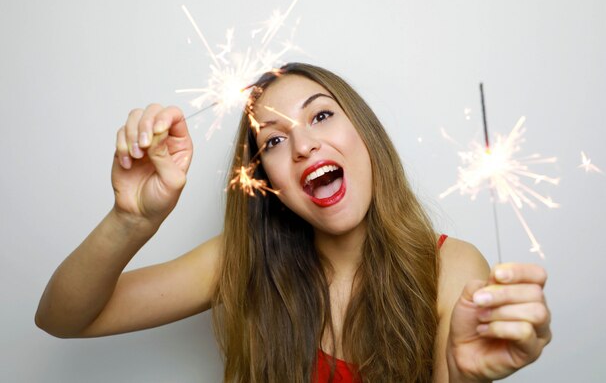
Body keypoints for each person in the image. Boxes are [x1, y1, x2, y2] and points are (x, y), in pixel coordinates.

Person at [35, 63, 551, 383]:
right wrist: (131, 217)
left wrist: (461, 379)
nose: (304, 145)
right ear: (268, 183)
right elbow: (62, 319)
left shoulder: (452, 267)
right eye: (275, 141)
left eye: (321, 116)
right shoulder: (238, 263)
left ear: (365, 135)